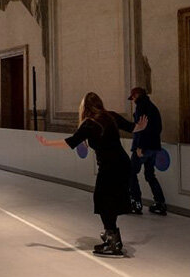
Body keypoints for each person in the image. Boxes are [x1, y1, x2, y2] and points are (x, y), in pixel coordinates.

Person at [37, 92, 147, 257]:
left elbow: (70, 143)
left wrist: (47, 143)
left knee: (103, 201)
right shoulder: (110, 116)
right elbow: (134, 127)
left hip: (110, 166)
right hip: (123, 164)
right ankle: (112, 236)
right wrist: (142, 126)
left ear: (85, 107)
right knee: (109, 200)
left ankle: (113, 241)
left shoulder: (90, 123)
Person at [127, 87, 167, 215]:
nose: (132, 100)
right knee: (150, 175)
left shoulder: (142, 107)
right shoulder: (153, 107)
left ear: (137, 95)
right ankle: (160, 203)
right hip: (154, 147)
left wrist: (140, 147)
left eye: (133, 97)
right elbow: (157, 128)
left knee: (131, 173)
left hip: (143, 147)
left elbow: (141, 129)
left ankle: (136, 203)